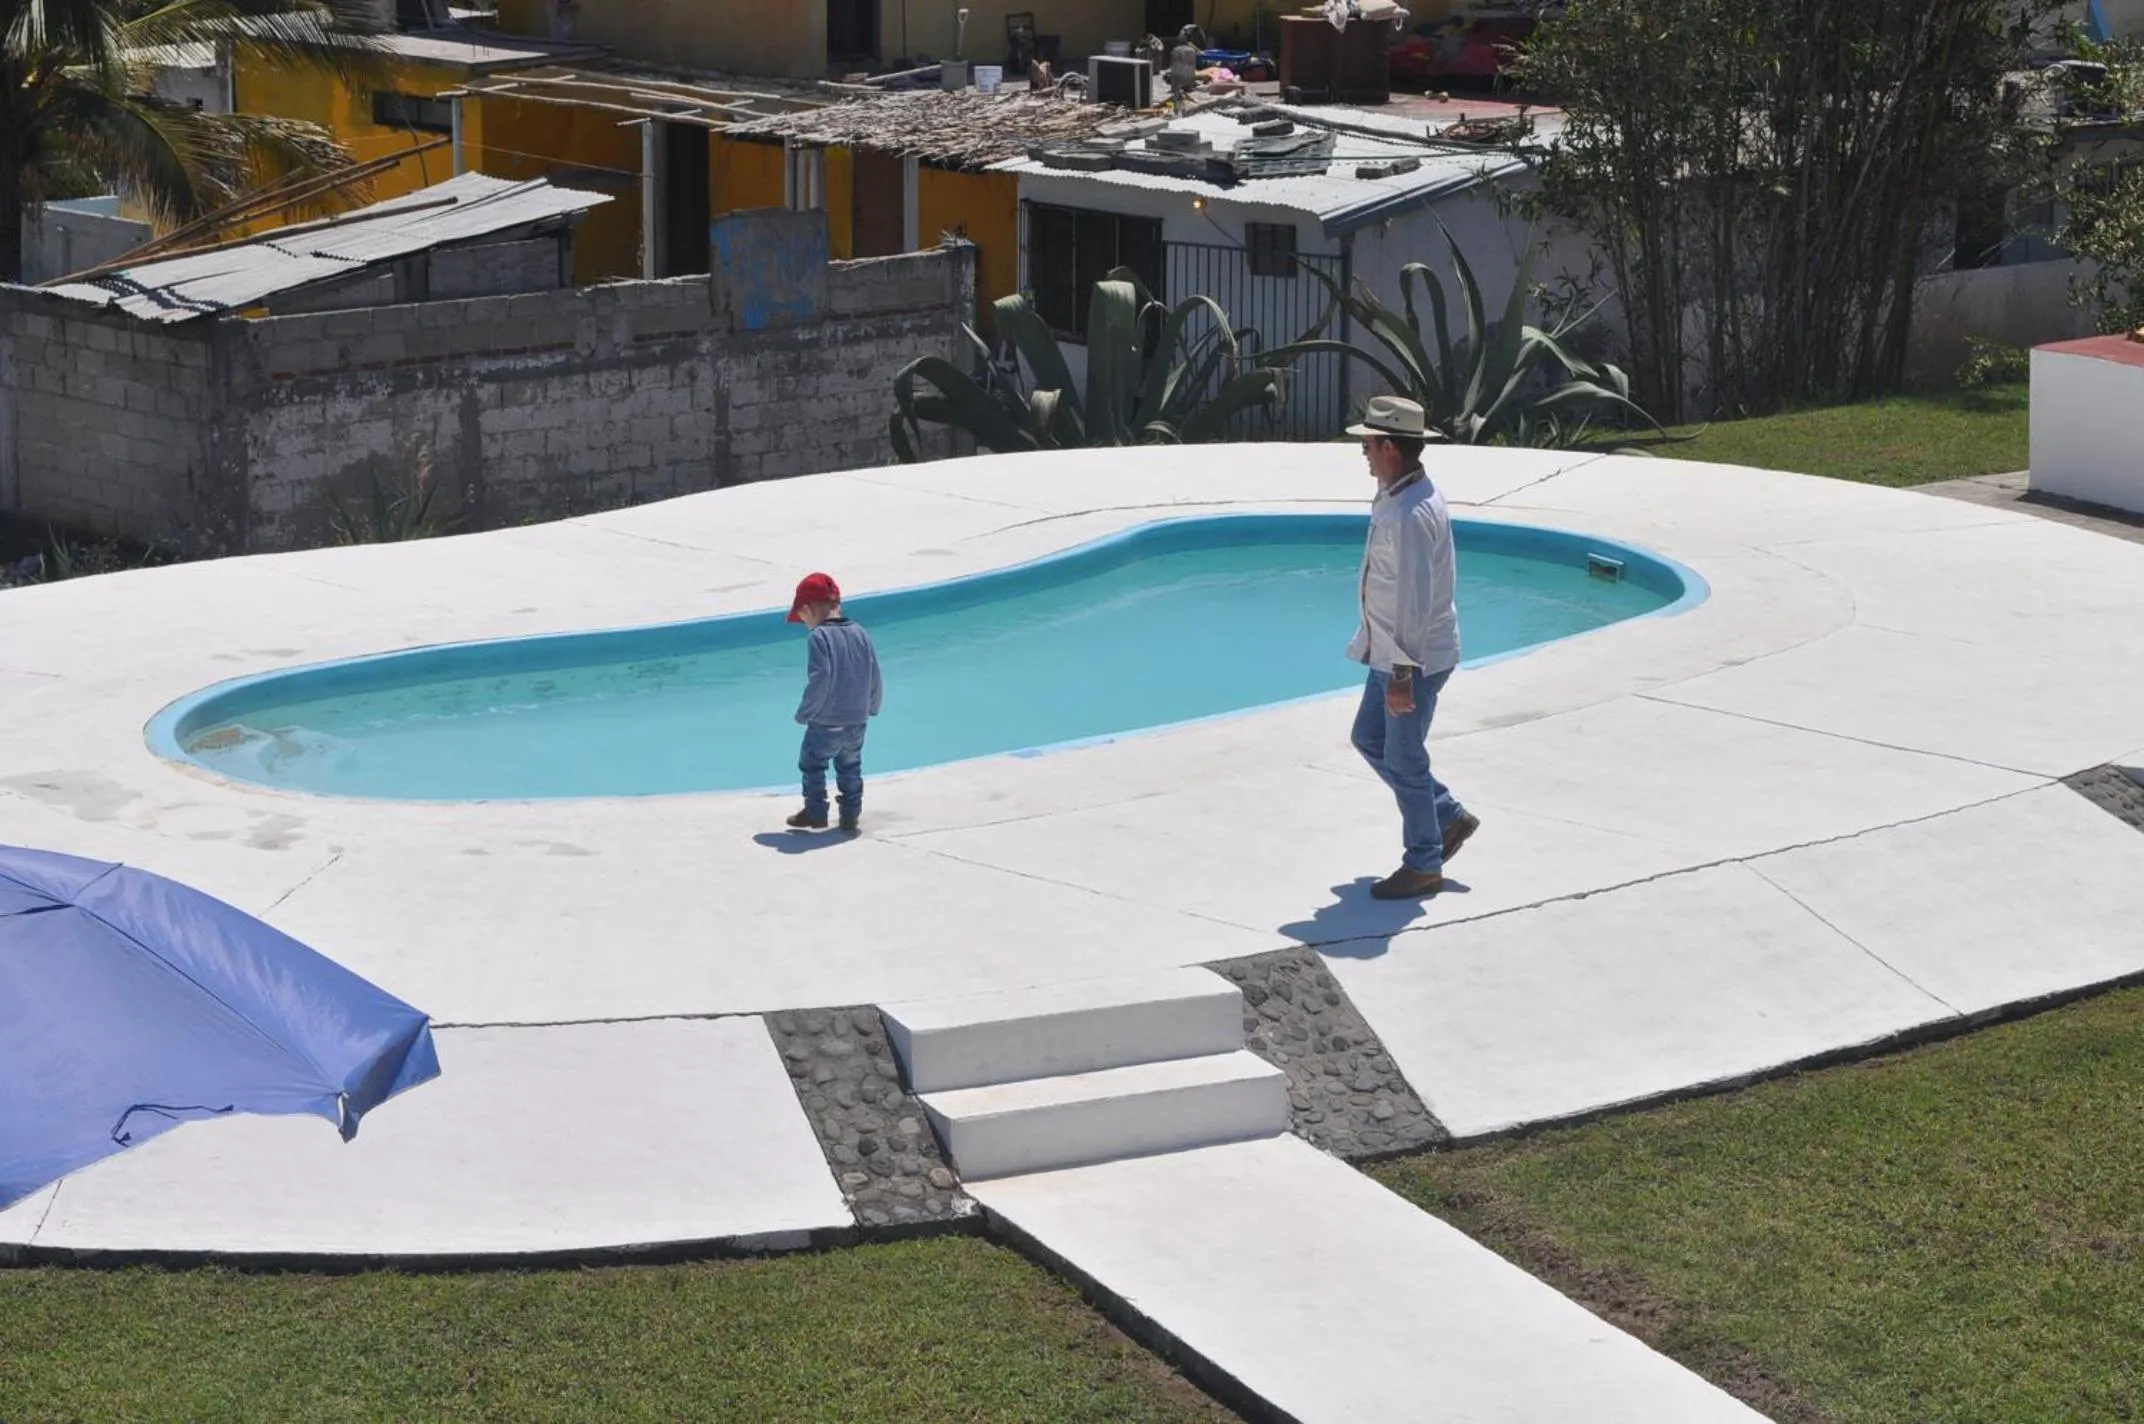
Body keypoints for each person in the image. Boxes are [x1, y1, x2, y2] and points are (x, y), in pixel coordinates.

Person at [1344, 396, 1480, 899]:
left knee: (1403, 759)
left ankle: (1424, 863)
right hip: (1392, 654)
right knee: (1370, 737)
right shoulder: (1400, 495)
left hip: (1411, 660)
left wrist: (1402, 675)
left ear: (1389, 447)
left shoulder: (1408, 514)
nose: (1363, 452)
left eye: (1368, 444)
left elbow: (1415, 603)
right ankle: (1444, 815)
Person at [785, 572, 883, 833]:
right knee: (850, 766)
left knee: (812, 764)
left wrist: (805, 712)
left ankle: (816, 812)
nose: (804, 624)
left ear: (808, 609)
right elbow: (874, 672)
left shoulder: (818, 637)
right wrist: (872, 706)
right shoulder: (860, 632)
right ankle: (850, 815)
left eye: (802, 617)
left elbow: (822, 677)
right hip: (857, 720)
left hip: (826, 722)